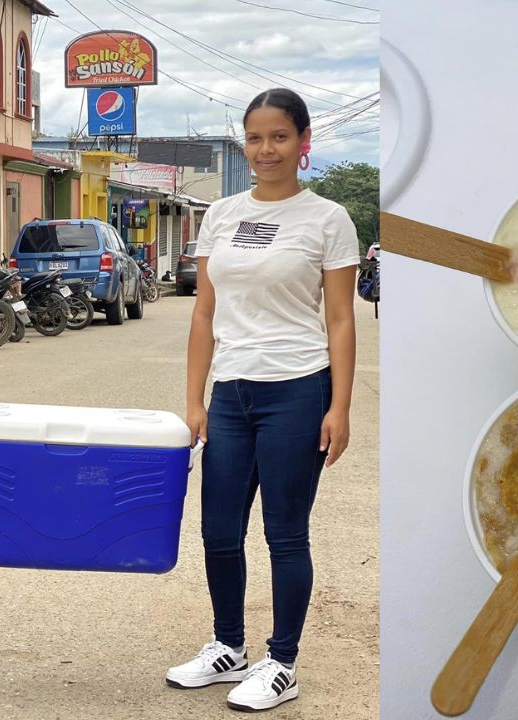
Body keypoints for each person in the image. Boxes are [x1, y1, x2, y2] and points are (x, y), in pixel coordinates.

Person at [165, 88, 359, 712]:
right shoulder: (220, 214)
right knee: (218, 531)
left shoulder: (328, 219)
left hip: (298, 389)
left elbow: (340, 321)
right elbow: (203, 316)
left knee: (285, 534)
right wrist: (195, 399)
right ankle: (228, 647)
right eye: (255, 137)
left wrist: (341, 406)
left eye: (279, 137)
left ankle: (282, 661)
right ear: (243, 143)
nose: (266, 149)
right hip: (231, 392)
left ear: (304, 143)